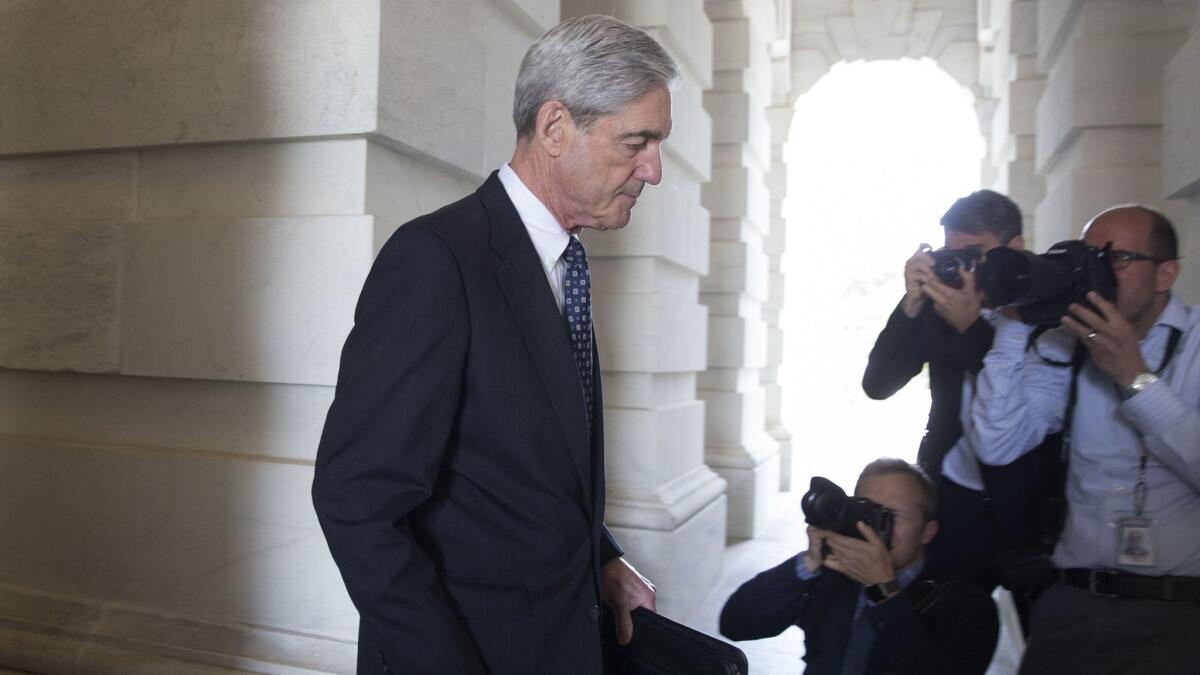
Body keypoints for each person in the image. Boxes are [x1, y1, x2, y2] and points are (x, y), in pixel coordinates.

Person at [311, 16, 674, 675]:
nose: (653, 169)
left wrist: (602, 556)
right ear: (557, 127)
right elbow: (357, 501)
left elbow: (527, 465)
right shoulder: (436, 261)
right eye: (637, 142)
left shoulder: (567, 263)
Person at [970, 205, 1200, 674]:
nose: (1099, 271)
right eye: (1089, 255)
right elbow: (998, 443)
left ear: (1165, 274)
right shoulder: (1066, 344)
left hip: (1176, 613)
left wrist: (1133, 377)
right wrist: (1018, 319)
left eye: (1117, 258)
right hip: (1069, 604)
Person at [862, 190, 1028, 589]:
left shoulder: (1041, 306)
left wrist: (970, 327)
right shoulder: (941, 303)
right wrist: (912, 303)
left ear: (1015, 248)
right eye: (952, 254)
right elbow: (878, 384)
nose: (962, 267)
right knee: (944, 623)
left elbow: (1017, 399)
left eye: (975, 253)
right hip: (951, 498)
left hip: (1023, 506)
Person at [719, 459, 999, 675]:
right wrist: (807, 564)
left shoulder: (966, 604)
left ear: (928, 531)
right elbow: (735, 624)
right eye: (867, 510)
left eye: (895, 515)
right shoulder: (832, 578)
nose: (878, 526)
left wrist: (882, 590)